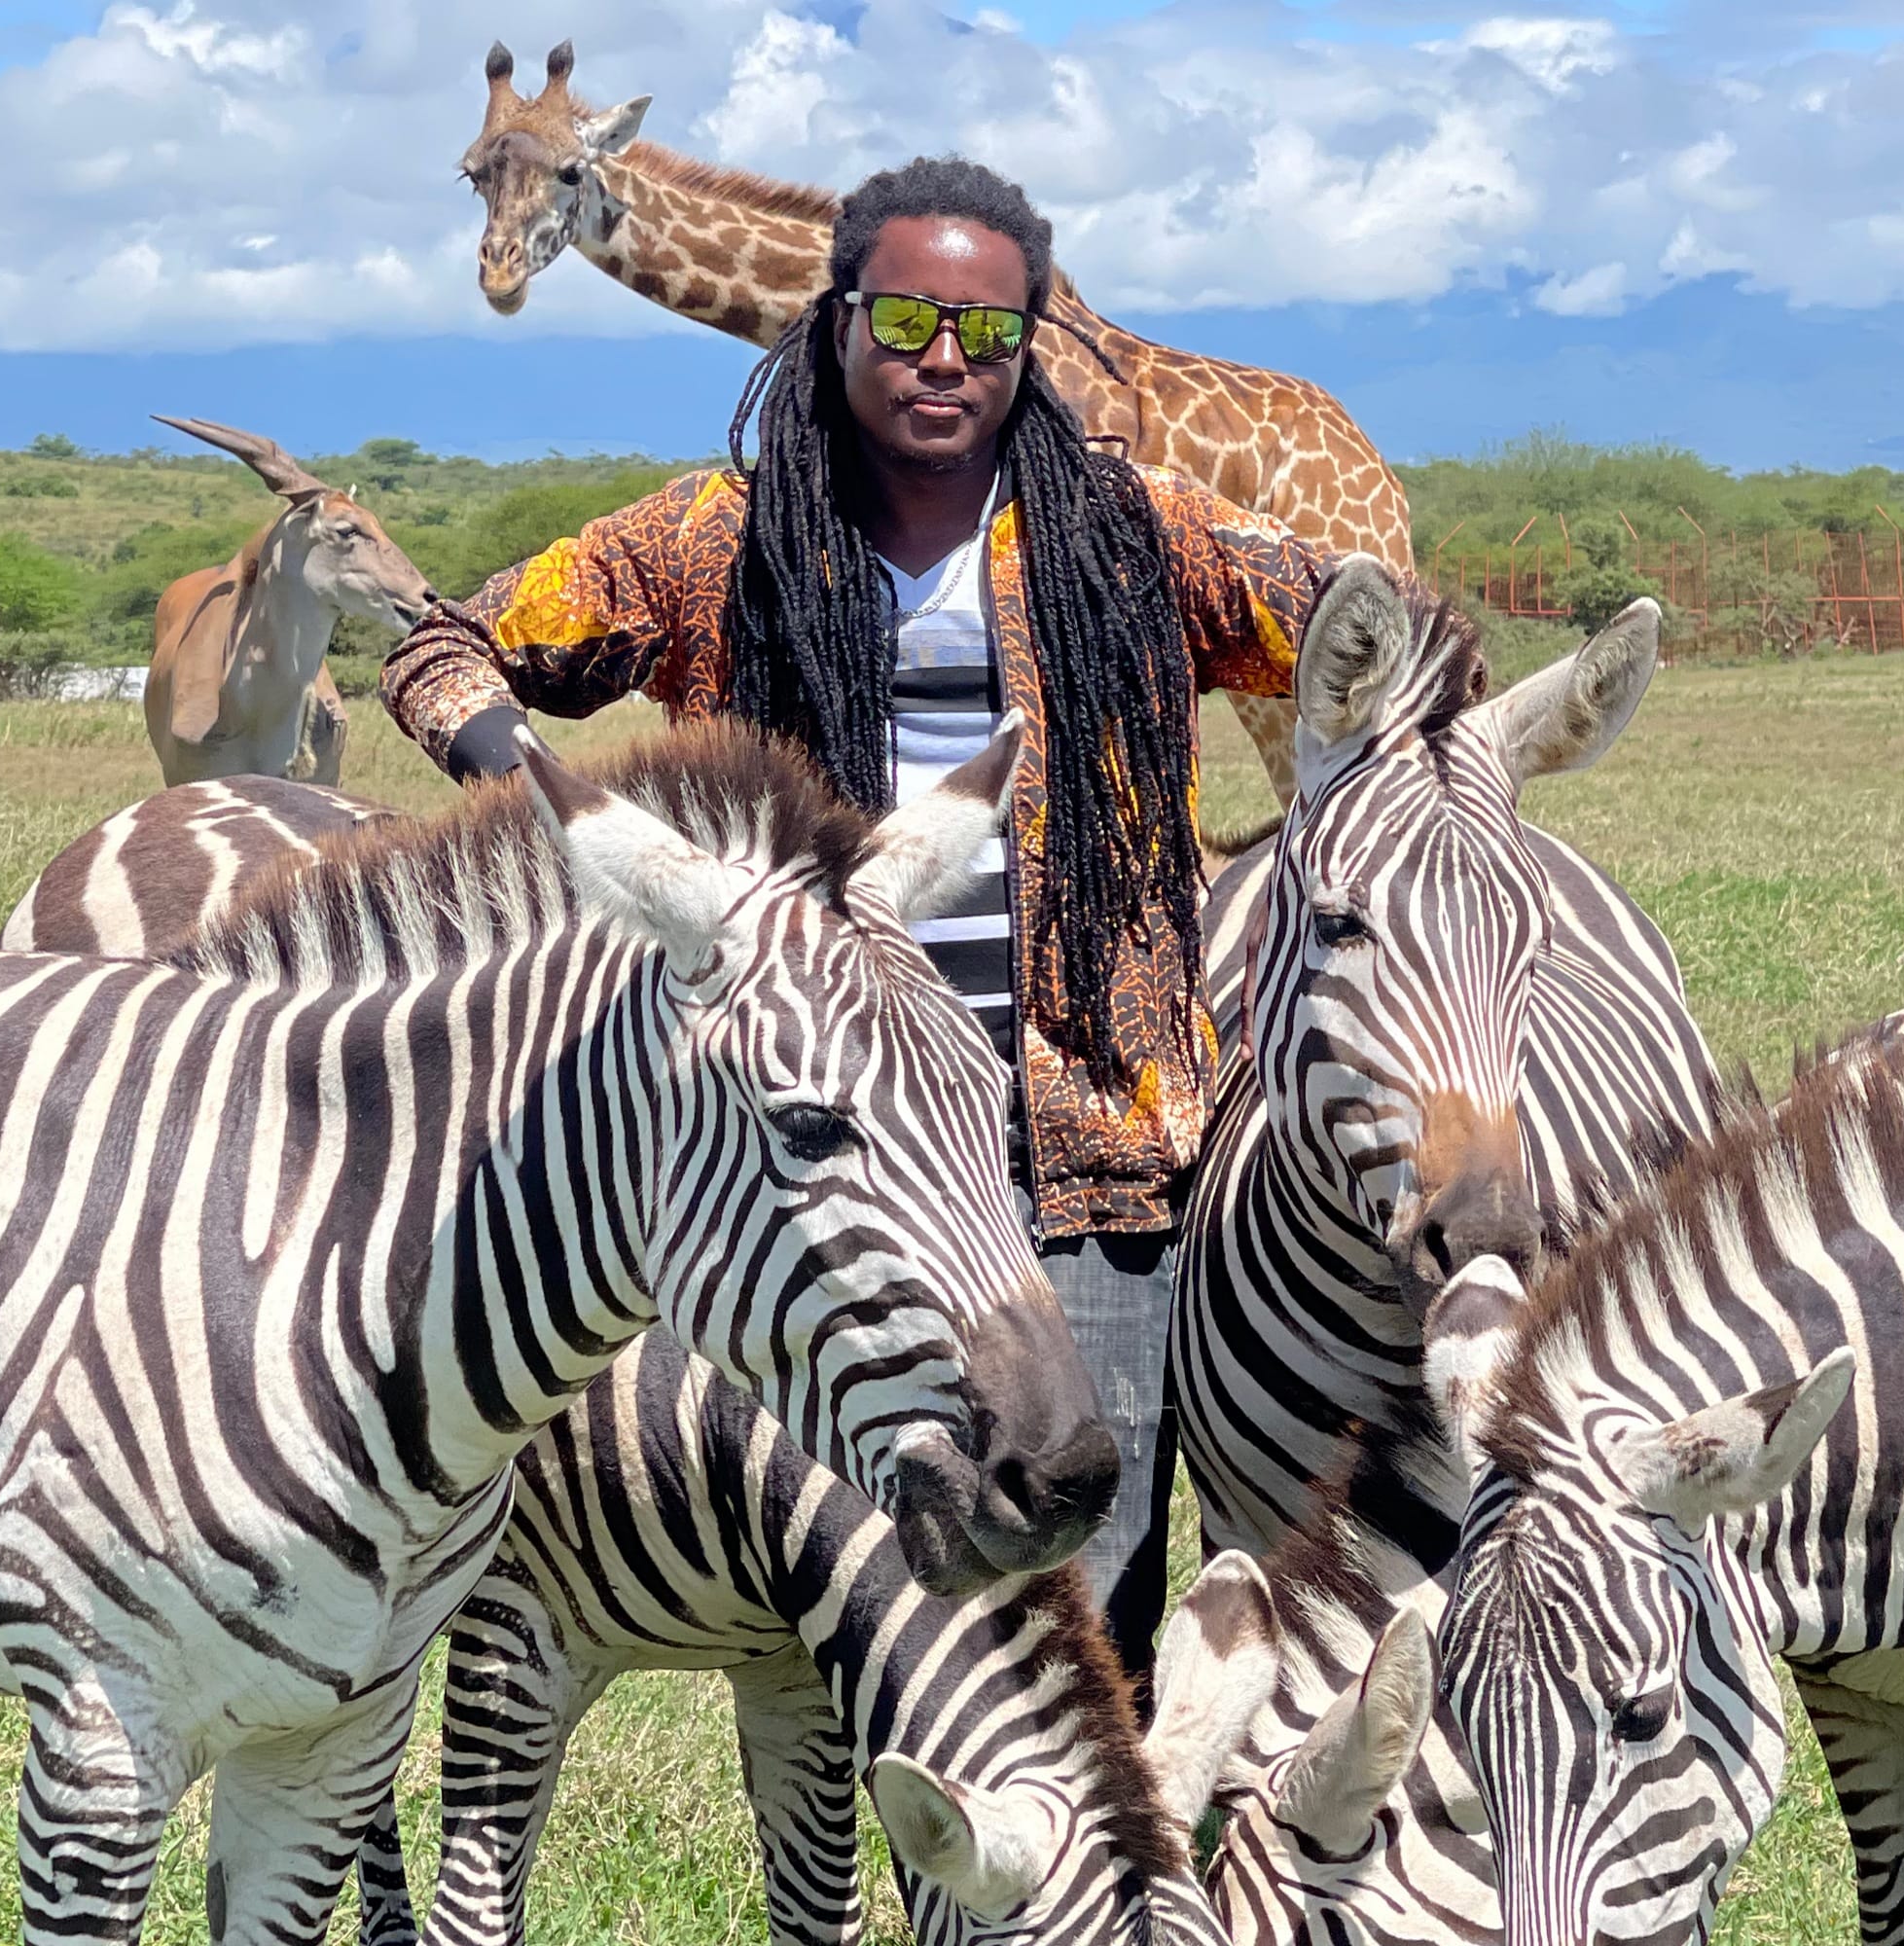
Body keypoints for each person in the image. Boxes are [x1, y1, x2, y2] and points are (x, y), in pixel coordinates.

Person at [384, 155, 1419, 1689]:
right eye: (912, 321)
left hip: (1089, 1146)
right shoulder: (709, 542)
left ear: (1036, 343)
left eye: (991, 334)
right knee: (862, 1644)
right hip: (827, 1159)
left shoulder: (1136, 532)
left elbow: (1363, 624)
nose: (949, 360)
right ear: (839, 319)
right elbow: (443, 648)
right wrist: (551, 808)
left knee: (1089, 1617)